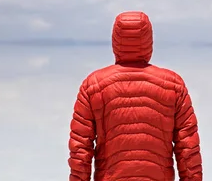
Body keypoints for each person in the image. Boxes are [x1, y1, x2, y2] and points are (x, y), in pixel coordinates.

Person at [68, 11, 203, 181]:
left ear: (115, 40)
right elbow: (188, 148)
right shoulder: (174, 84)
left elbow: (80, 150)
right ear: (149, 41)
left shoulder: (93, 84)